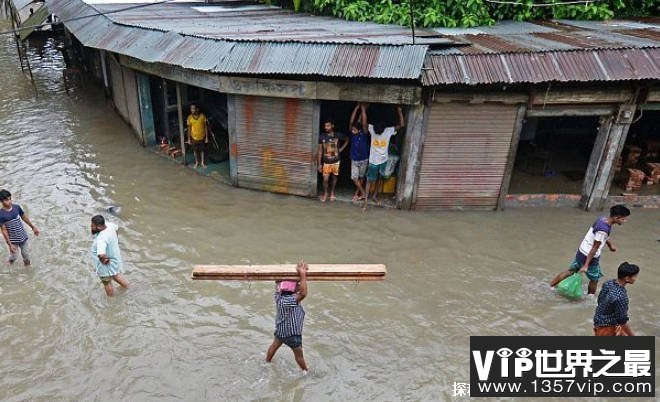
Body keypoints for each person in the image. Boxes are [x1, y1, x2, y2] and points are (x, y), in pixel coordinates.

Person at [550, 204, 630, 295]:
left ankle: (552, 285)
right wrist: (586, 265)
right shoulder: (603, 230)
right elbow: (595, 247)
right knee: (594, 279)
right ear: (616, 218)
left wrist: (610, 245)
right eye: (623, 219)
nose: (625, 221)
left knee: (571, 271)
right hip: (590, 257)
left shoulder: (602, 220)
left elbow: (601, 237)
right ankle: (590, 297)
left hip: (581, 251)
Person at [266, 261, 309, 373]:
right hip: (291, 333)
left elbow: (278, 283)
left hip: (281, 328)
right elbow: (303, 293)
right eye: (297, 286)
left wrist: (297, 275)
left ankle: (267, 362)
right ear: (293, 290)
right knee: (299, 355)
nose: (299, 286)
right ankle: (306, 372)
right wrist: (303, 274)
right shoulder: (288, 300)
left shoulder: (278, 296)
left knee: (274, 345)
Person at [360, 104, 405, 211]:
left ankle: (374, 196)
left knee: (380, 178)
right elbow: (364, 124)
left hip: (383, 160)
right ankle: (366, 201)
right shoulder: (373, 129)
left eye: (379, 132)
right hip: (373, 162)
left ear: (383, 129)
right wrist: (363, 110)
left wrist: (399, 111)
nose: (377, 133)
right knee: (369, 180)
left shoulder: (388, 130)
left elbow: (402, 125)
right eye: (376, 132)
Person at [593, 262, 640, 336]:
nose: (635, 279)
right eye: (635, 276)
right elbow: (622, 321)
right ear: (627, 278)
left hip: (598, 321)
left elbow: (600, 300)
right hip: (607, 328)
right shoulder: (621, 297)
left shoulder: (608, 283)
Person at [90, 215, 129, 296]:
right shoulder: (109, 225)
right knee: (115, 275)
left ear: (99, 227)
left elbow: (101, 254)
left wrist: (104, 260)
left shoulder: (101, 239)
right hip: (115, 257)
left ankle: (111, 300)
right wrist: (115, 240)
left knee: (107, 282)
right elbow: (117, 228)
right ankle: (129, 288)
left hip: (104, 265)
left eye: (93, 226)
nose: (91, 227)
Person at [0, 189, 40, 266]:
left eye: (10, 199)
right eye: (6, 200)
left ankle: (28, 270)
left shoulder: (16, 208)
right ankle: (8, 265)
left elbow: (24, 217)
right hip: (13, 240)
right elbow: (4, 230)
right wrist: (9, 244)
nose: (9, 201)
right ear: (1, 201)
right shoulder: (1, 215)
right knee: (13, 257)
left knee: (26, 255)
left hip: (23, 237)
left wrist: (33, 227)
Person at [317, 119, 348, 202]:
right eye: (325, 126)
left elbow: (347, 140)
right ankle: (326, 193)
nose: (326, 127)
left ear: (332, 126)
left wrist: (340, 149)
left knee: (334, 177)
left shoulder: (337, 135)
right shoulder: (322, 136)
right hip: (326, 162)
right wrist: (319, 164)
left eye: (328, 126)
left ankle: (332, 192)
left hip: (336, 161)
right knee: (325, 179)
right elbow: (320, 151)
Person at [348, 103, 370, 202]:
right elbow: (351, 121)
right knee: (354, 177)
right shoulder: (353, 134)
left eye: (354, 129)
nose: (352, 131)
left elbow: (364, 123)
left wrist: (363, 110)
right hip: (354, 159)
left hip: (364, 159)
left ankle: (357, 194)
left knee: (361, 177)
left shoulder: (364, 133)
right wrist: (357, 108)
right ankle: (363, 192)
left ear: (359, 129)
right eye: (352, 129)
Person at [186, 104, 209, 169]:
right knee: (195, 151)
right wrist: (189, 139)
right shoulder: (189, 117)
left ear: (197, 109)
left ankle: (202, 163)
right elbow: (189, 129)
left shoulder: (202, 116)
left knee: (202, 150)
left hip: (202, 137)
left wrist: (207, 137)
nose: (192, 110)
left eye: (193, 108)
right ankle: (196, 162)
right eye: (191, 109)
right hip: (194, 138)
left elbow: (205, 127)